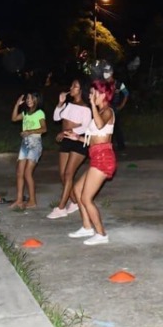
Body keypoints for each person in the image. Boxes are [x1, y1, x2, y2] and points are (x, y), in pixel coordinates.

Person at [66, 79, 117, 246]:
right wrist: (78, 137)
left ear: (102, 94)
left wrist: (93, 105)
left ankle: (101, 234)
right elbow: (93, 139)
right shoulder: (100, 110)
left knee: (86, 198)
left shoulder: (107, 111)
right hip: (96, 156)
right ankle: (87, 227)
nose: (91, 95)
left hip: (104, 158)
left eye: (94, 92)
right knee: (77, 189)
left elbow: (100, 124)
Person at [48, 77, 92, 219]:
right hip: (67, 140)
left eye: (75, 86)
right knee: (62, 174)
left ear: (81, 90)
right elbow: (56, 118)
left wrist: (69, 132)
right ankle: (74, 201)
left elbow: (86, 126)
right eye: (72, 85)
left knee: (68, 174)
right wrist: (60, 103)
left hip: (78, 141)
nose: (71, 88)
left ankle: (61, 207)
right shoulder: (68, 104)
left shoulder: (85, 107)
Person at [10, 91, 47, 209]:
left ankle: (32, 201)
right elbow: (14, 118)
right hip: (24, 144)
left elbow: (44, 129)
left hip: (35, 143)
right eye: (27, 98)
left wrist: (29, 132)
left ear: (37, 99)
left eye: (31, 98)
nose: (28, 100)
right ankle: (19, 200)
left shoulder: (39, 113)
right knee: (19, 173)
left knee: (27, 173)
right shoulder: (25, 113)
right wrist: (17, 105)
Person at [107, 69, 129, 151]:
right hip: (107, 108)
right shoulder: (105, 84)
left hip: (115, 108)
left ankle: (121, 146)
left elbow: (126, 93)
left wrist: (122, 105)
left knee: (117, 127)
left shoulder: (119, 84)